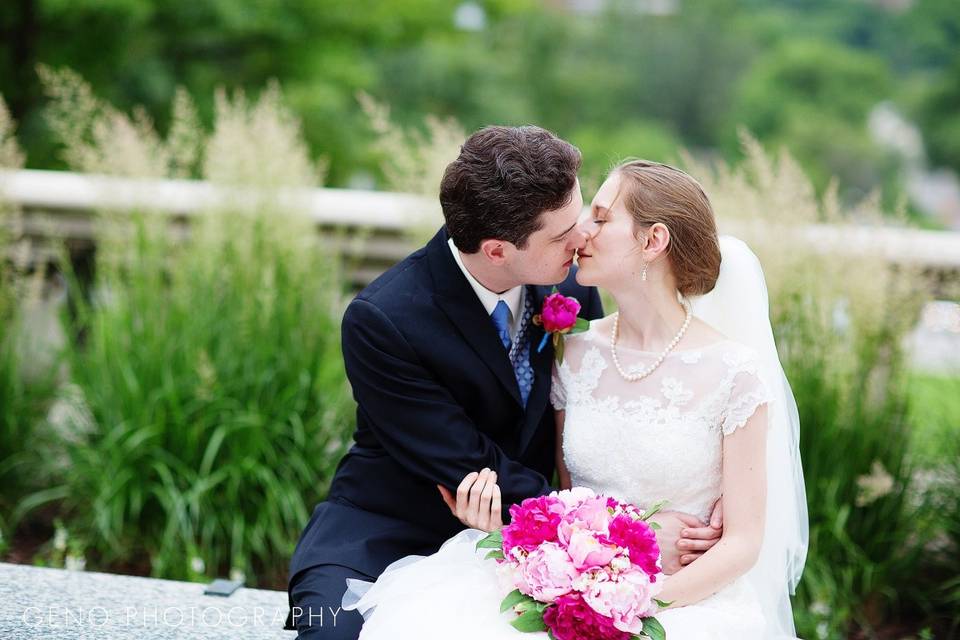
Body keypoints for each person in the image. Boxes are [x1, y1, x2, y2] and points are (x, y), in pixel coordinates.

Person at [340, 160, 808, 639]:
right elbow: (567, 491)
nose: (582, 232)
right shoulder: (576, 351)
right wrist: (550, 555)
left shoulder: (734, 373)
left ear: (653, 241)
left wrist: (635, 607)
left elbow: (744, 543)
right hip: (569, 581)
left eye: (601, 218)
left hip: (683, 597)